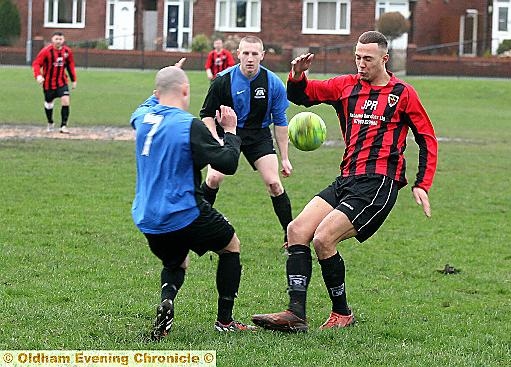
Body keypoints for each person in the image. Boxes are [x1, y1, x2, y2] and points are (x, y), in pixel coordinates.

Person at [251, 31, 438, 332]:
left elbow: (427, 138)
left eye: (368, 59)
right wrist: (298, 75)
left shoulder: (402, 93)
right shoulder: (345, 86)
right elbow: (303, 96)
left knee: (324, 238)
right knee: (297, 229)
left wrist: (421, 183)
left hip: (379, 183)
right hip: (347, 178)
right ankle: (295, 313)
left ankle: (342, 313)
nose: (361, 64)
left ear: (384, 59)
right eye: (357, 57)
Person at [130, 59, 256, 340]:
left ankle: (168, 300)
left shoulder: (142, 116)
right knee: (230, 245)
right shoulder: (189, 125)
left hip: (147, 217)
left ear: (157, 92)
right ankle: (225, 321)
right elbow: (228, 164)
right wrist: (232, 132)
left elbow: (151, 101)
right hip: (184, 211)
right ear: (185, 90)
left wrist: (166, 77)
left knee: (176, 262)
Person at [200, 35, 293, 244]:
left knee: (274, 184)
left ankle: (291, 237)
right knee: (213, 179)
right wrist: (216, 140)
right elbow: (206, 114)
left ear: (262, 55)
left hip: (258, 135)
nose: (250, 58)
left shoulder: (273, 83)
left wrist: (285, 158)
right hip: (227, 133)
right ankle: (199, 228)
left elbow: (280, 121)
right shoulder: (222, 80)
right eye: (245, 53)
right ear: (238, 55)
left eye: (254, 54)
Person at [32, 31, 77, 133]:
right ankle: (50, 122)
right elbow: (36, 64)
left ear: (63, 40)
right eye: (56, 39)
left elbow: (70, 66)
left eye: (60, 39)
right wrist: (38, 75)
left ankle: (63, 126)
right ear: (52, 40)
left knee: (65, 100)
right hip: (48, 83)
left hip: (62, 82)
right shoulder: (46, 51)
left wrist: (74, 80)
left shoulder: (67, 52)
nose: (58, 41)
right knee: (49, 103)